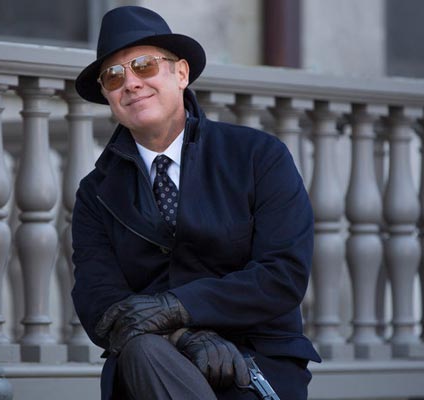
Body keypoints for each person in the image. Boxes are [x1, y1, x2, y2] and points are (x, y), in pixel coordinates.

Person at [72, 6, 321, 400]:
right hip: (154, 363)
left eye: (144, 66)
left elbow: (282, 274)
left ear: (181, 74)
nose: (131, 83)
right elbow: (98, 302)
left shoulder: (258, 156)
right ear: (107, 95)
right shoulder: (95, 193)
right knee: (142, 350)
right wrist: (183, 336)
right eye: (114, 76)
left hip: (256, 361)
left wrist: (178, 307)